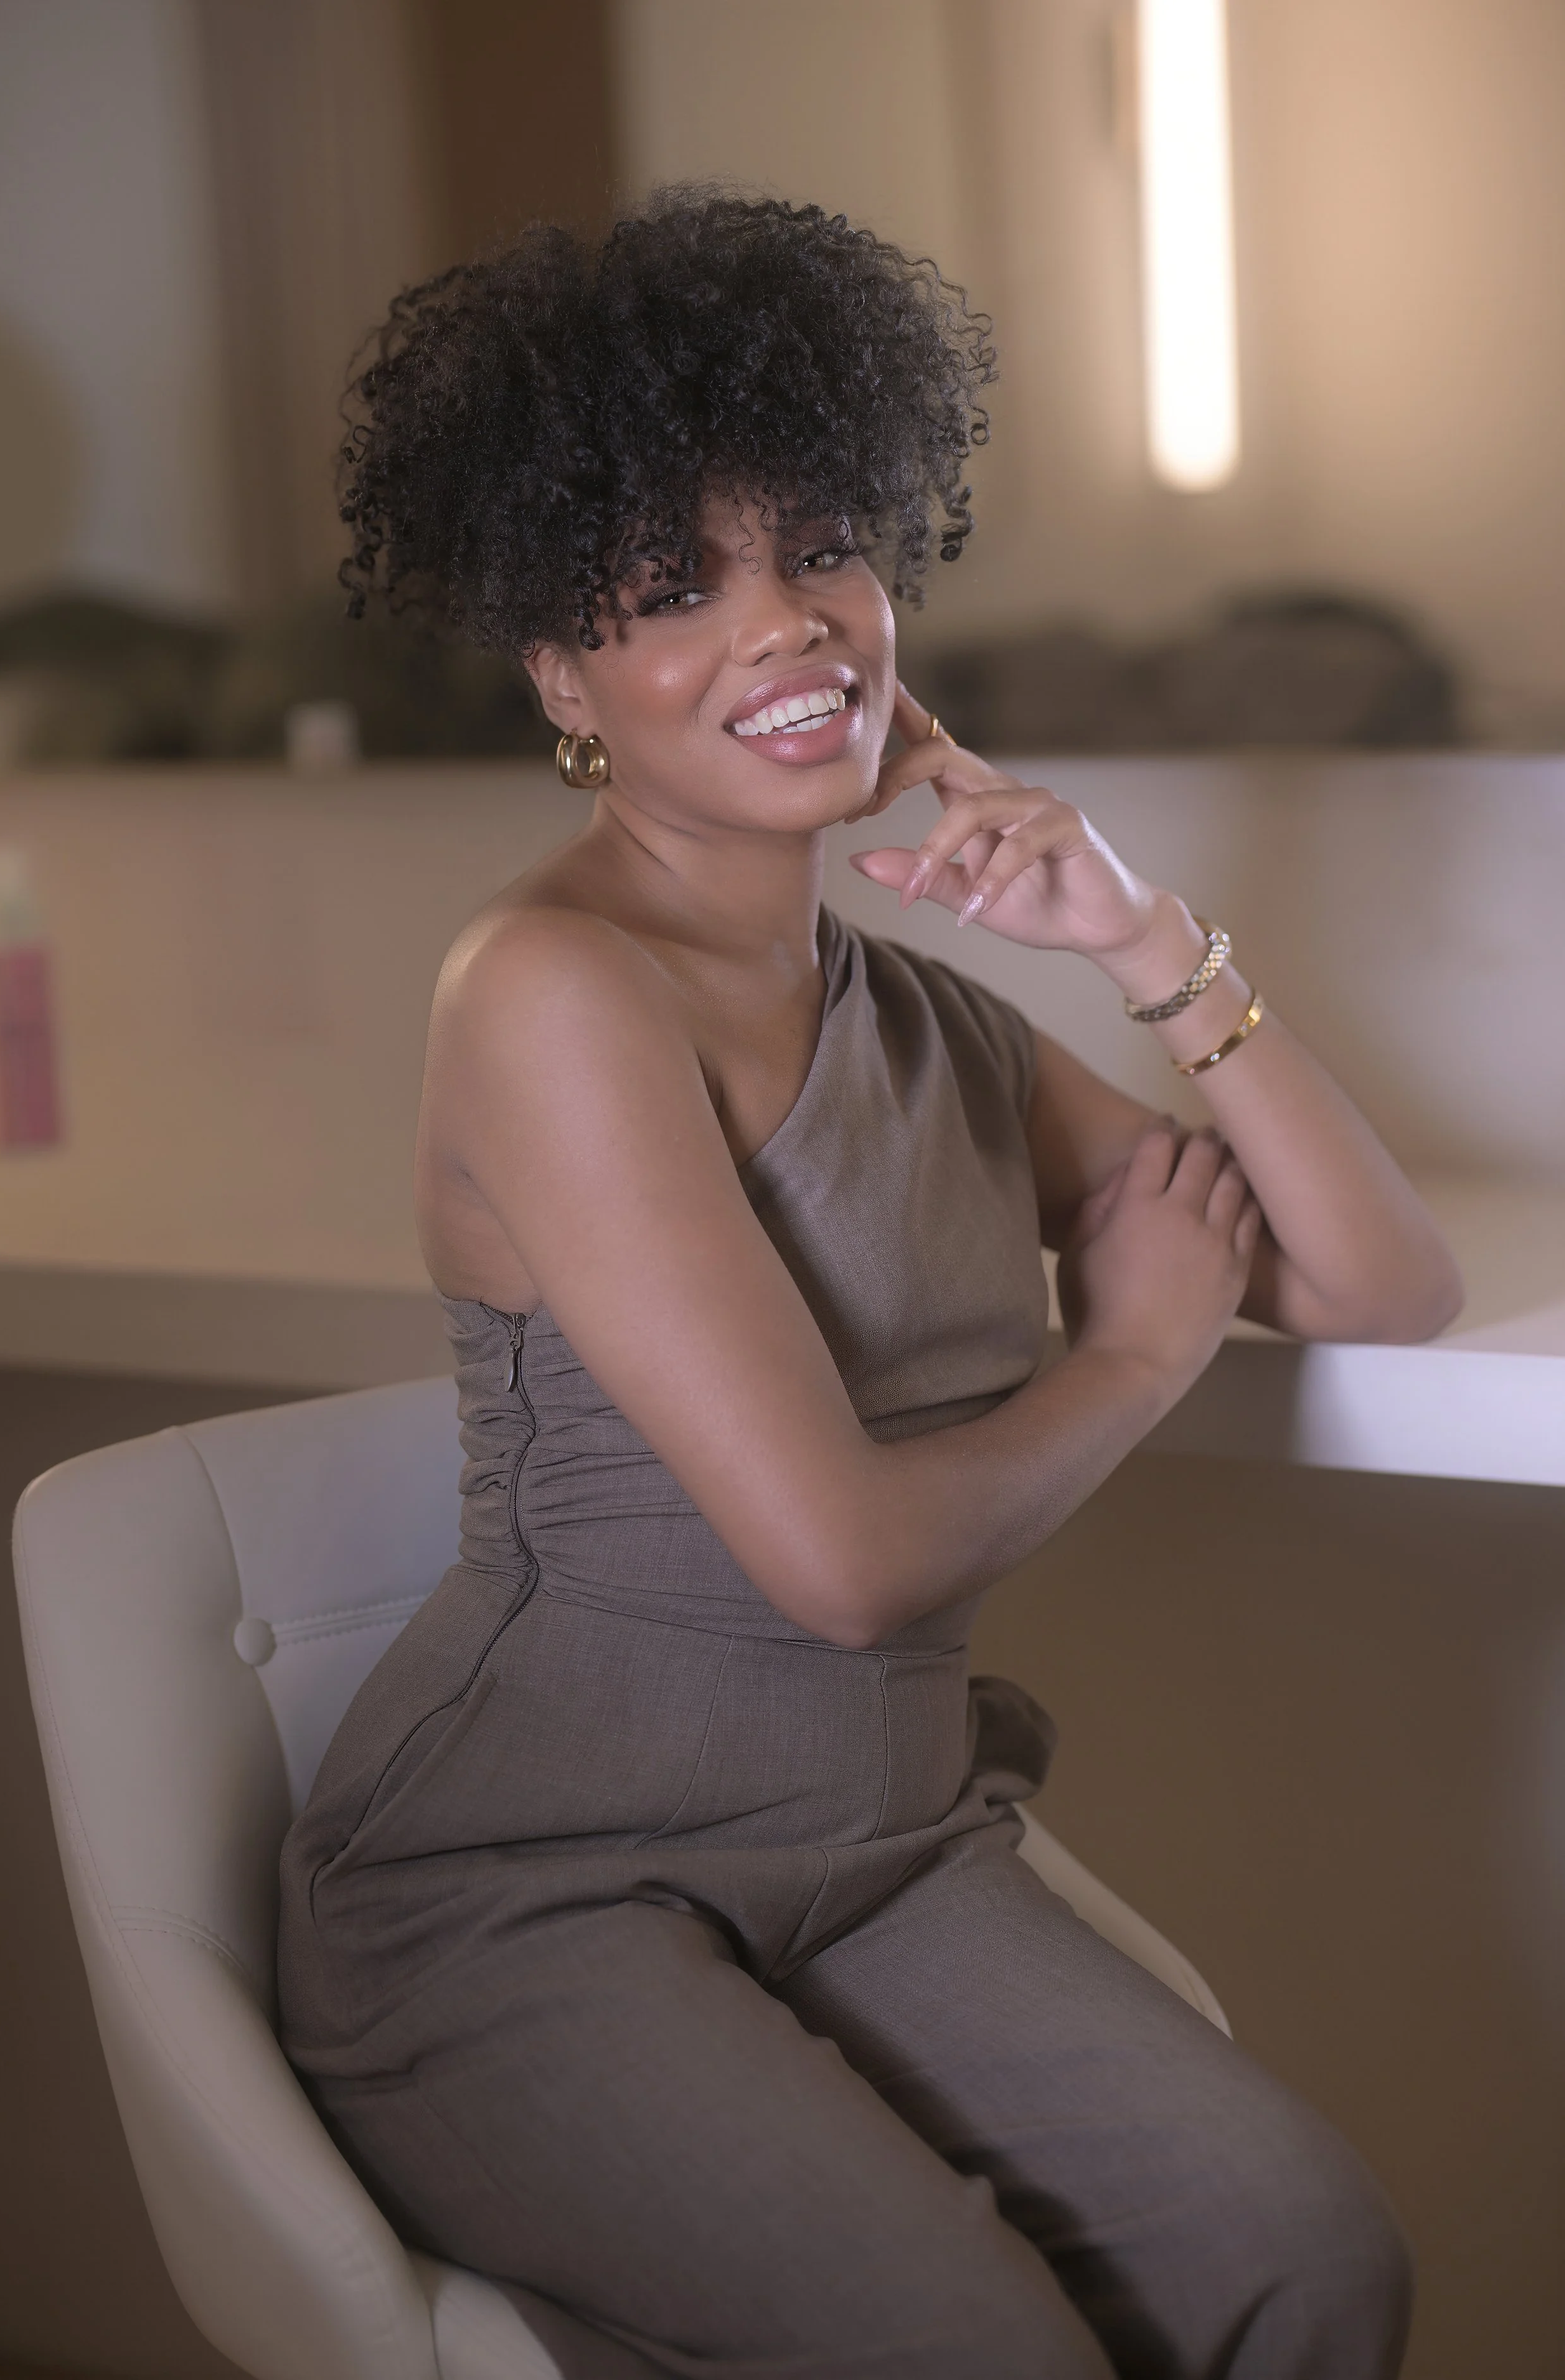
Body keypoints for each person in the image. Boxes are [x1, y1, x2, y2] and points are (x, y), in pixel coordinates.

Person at [278, 190, 1460, 2379]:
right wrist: (1127, 1356)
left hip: (875, 1855)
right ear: (561, 671)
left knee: (1309, 2255)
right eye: (667, 590)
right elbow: (834, 1560)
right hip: (539, 1891)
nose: (785, 626)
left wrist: (1133, 936)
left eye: (819, 544)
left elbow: (1382, 1281)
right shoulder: (552, 991)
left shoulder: (929, 1020)